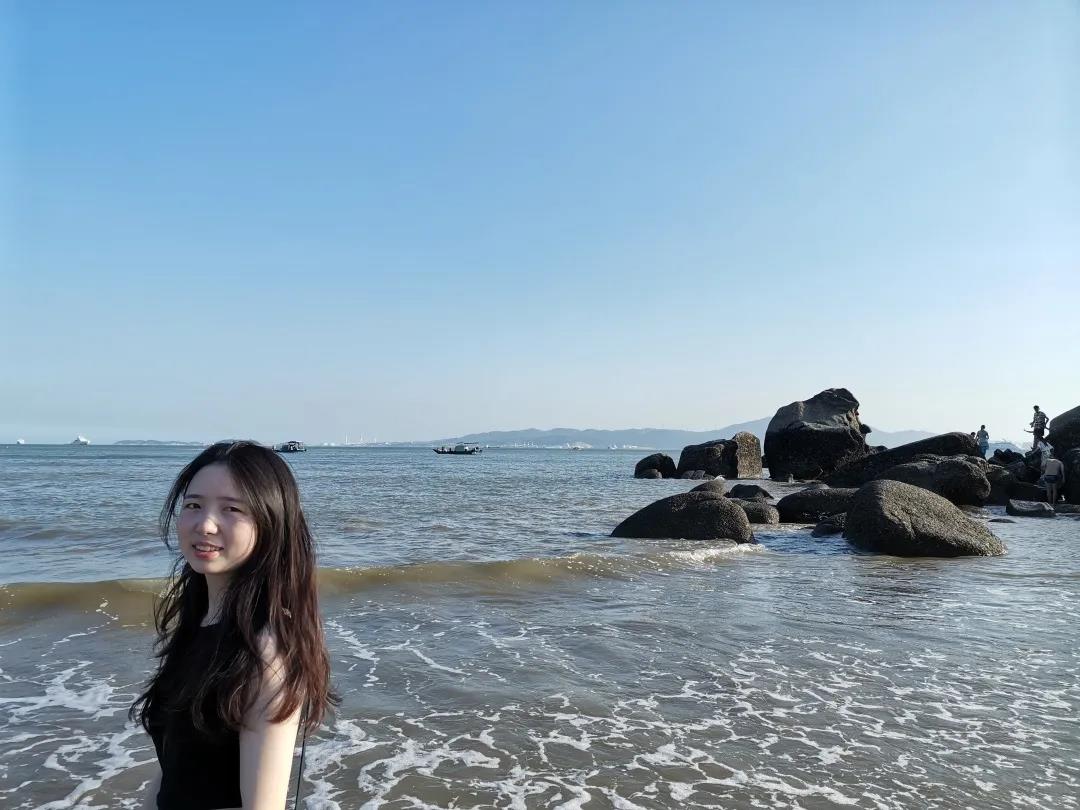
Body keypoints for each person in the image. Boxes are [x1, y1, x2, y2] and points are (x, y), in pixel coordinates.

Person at [131, 441, 337, 809]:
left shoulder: (265, 650)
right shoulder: (201, 621)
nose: (205, 524)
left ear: (271, 523)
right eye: (193, 505)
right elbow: (173, 766)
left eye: (231, 509)